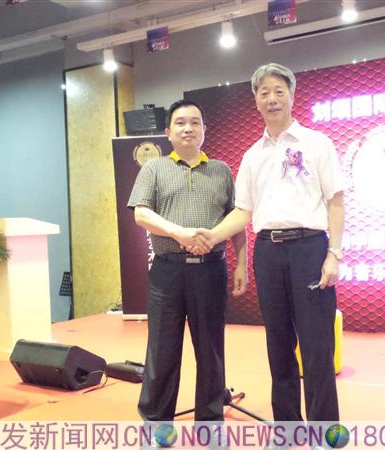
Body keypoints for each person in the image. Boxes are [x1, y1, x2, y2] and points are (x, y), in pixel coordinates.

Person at [192, 63, 345, 427]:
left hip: (310, 249)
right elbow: (243, 212)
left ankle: (324, 431)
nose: (272, 98)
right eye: (264, 92)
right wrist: (212, 236)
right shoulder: (252, 156)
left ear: (292, 96)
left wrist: (334, 254)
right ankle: (287, 427)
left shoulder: (317, 143)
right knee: (278, 344)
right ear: (256, 101)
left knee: (317, 346)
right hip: (268, 253)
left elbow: (336, 202)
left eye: (279, 91)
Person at [127, 99, 247, 430]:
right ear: (168, 132)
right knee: (162, 349)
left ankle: (209, 424)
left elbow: (236, 219)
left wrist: (241, 264)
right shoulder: (154, 169)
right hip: (167, 271)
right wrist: (178, 232)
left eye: (195, 122)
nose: (188, 128)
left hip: (211, 270)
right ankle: (156, 424)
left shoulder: (221, 170)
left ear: (205, 129)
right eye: (180, 123)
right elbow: (141, 213)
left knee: (211, 350)